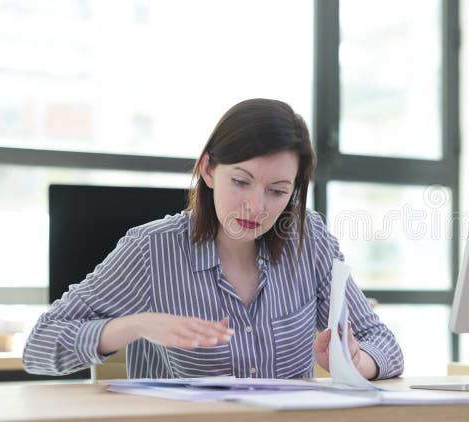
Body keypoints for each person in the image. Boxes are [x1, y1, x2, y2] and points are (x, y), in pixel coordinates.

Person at [23, 99, 404, 380]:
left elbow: (380, 340)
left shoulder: (310, 240)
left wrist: (357, 362)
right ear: (208, 170)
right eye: (241, 181)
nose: (256, 206)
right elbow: (39, 346)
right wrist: (135, 325)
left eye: (277, 190)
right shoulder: (152, 251)